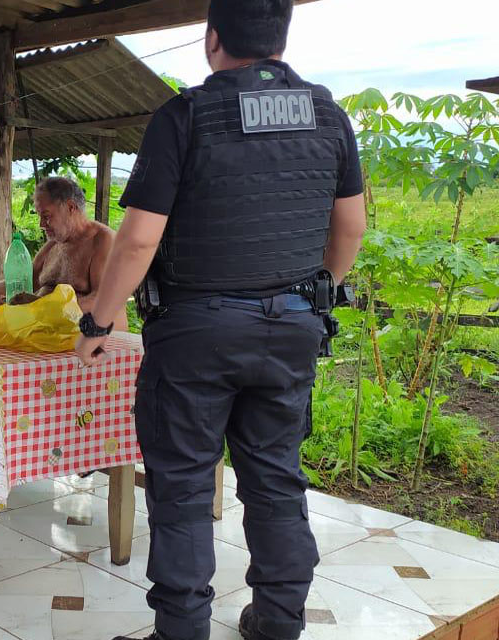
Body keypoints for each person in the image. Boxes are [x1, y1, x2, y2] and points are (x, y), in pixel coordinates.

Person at [74, 1, 367, 639]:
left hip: (195, 334)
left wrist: (98, 325)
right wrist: (314, 294)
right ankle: (278, 622)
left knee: (180, 488)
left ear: (212, 40)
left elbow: (137, 242)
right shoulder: (327, 115)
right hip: (291, 329)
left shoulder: (186, 117)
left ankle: (181, 630)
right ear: (283, 38)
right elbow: (350, 227)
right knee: (275, 480)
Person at [0, 176, 129, 330]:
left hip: (97, 342)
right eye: (40, 217)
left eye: (46, 216)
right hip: (52, 336)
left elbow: (103, 299)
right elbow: (21, 282)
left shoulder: (104, 241)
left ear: (70, 207)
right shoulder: (53, 245)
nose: (41, 224)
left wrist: (41, 309)